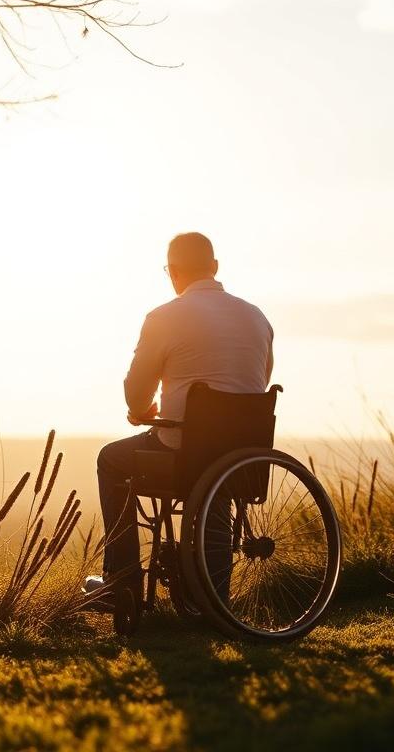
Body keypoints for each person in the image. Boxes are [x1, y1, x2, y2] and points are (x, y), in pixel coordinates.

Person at [84, 232, 274, 600]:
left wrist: (141, 412)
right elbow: (259, 383)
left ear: (171, 272)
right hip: (245, 458)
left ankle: (121, 581)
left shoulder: (164, 317)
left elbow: (136, 391)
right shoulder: (257, 317)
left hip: (185, 456)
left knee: (111, 460)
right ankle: (209, 594)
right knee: (214, 475)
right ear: (215, 268)